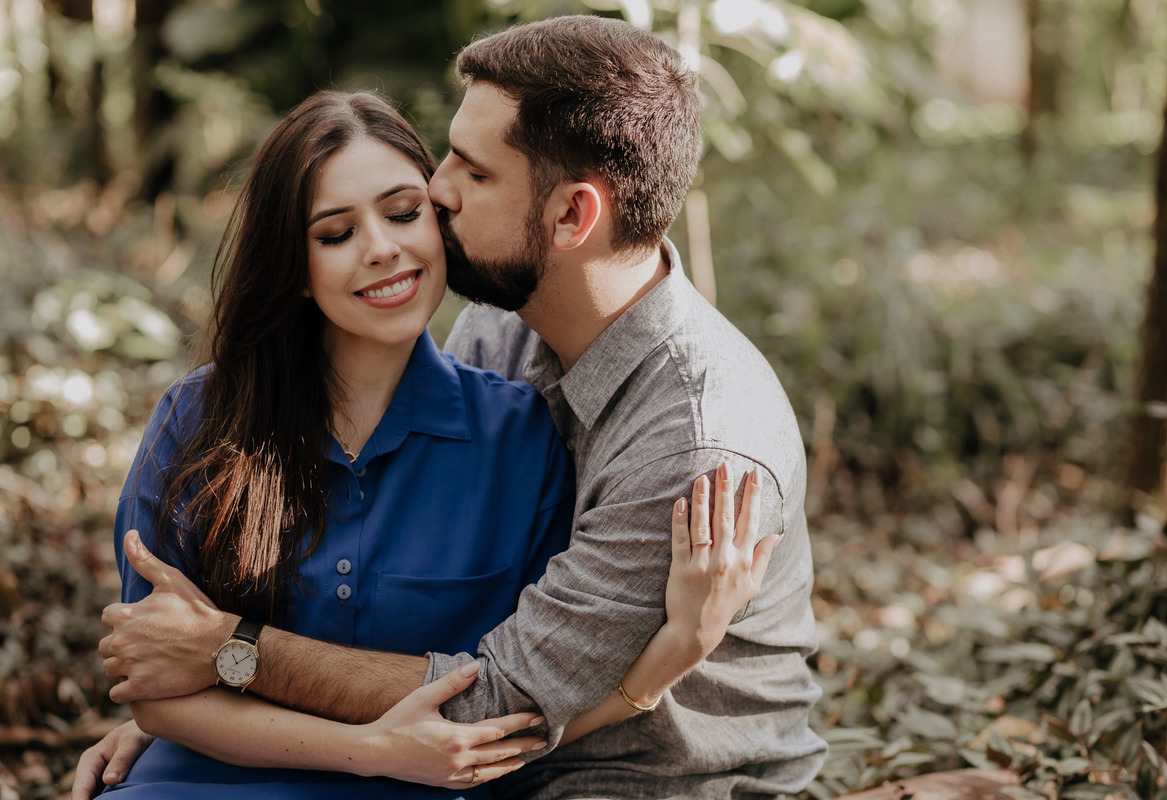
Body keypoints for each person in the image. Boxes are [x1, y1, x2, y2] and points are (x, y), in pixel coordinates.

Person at [84, 14, 826, 799]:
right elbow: (172, 658)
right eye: (337, 229)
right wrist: (183, 712)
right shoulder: (500, 329)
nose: (438, 191)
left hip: (653, 777)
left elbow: (488, 703)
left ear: (572, 216)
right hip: (488, 756)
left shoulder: (696, 441)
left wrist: (228, 658)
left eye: (471, 172)